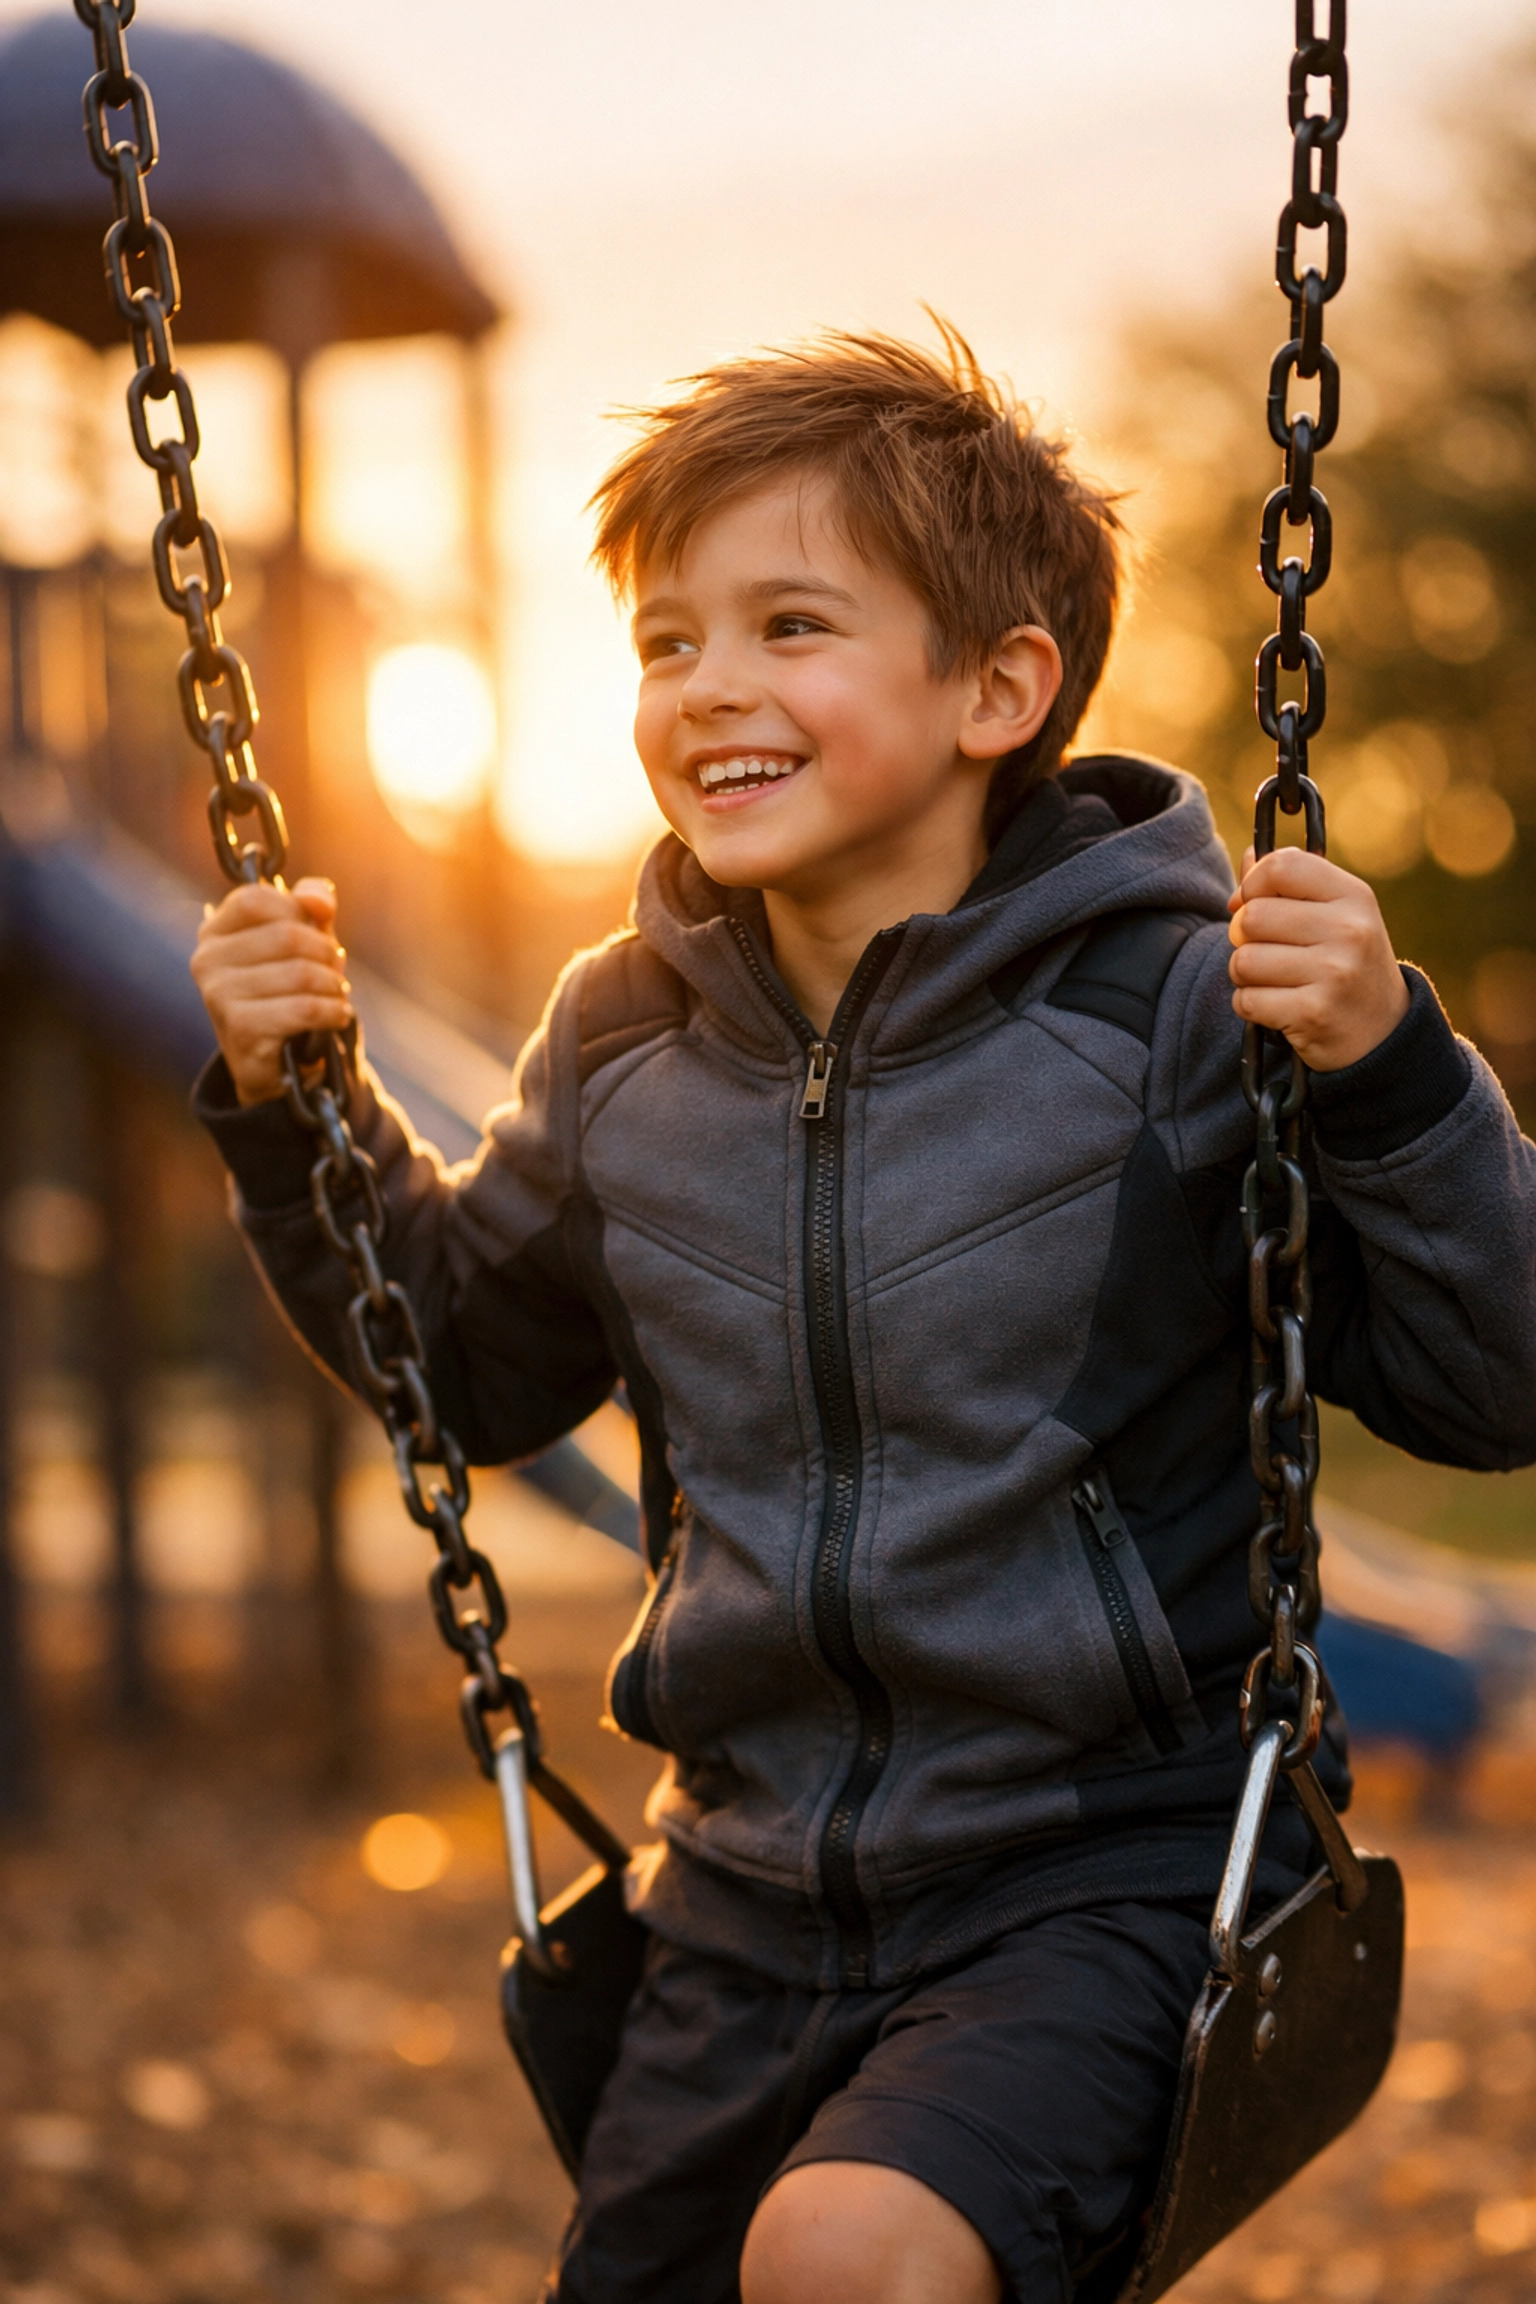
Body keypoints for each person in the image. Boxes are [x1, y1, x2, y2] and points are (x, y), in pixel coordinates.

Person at [189, 326, 1536, 2304]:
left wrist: (1392, 1070)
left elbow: (1496, 1385)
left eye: (790, 624)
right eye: (666, 642)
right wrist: (296, 1104)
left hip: (1106, 1866)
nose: (709, 686)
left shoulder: (1174, 1014)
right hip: (741, 1892)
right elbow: (464, 1364)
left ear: (1000, 688)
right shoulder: (620, 1040)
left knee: (849, 2254)